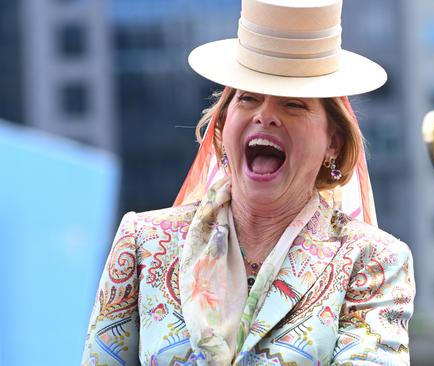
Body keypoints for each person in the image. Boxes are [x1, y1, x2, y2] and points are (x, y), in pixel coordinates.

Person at [81, 0, 415, 365]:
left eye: (293, 104)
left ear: (332, 142)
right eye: (249, 98)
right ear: (223, 126)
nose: (266, 115)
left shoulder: (371, 261)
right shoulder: (144, 243)